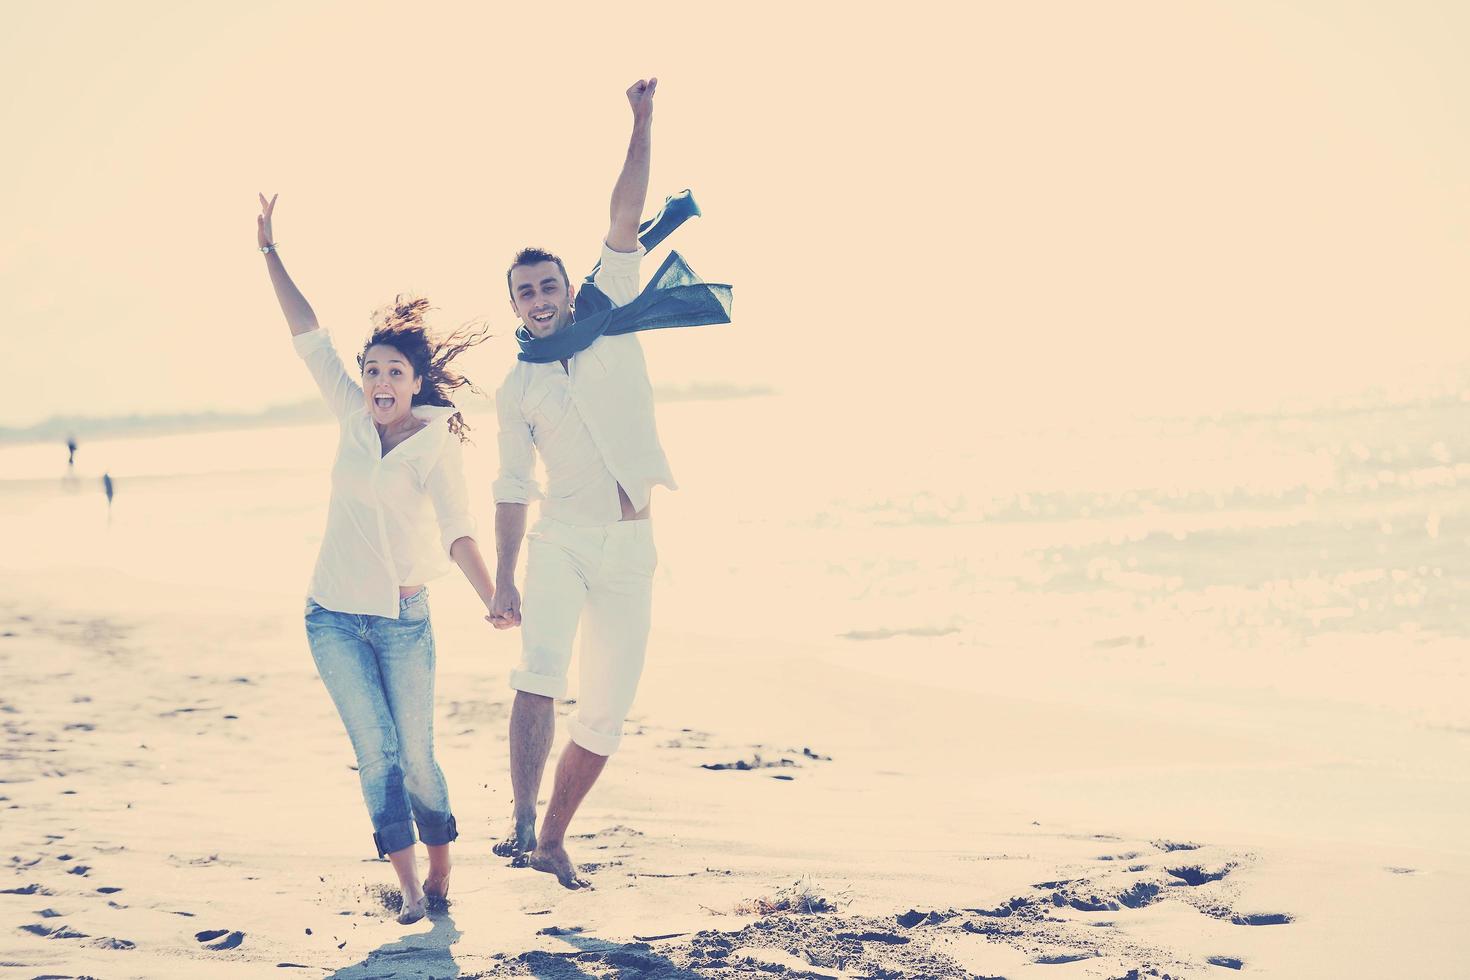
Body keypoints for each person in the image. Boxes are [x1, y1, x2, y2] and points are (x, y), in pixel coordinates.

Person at [488, 77, 731, 890]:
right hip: (561, 542)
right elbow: (513, 487)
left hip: (633, 549)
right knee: (539, 672)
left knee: (604, 714)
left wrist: (642, 120)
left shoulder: (612, 301)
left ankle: (555, 835)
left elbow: (624, 214)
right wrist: (505, 575)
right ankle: (521, 820)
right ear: (516, 309)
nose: (541, 298)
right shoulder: (517, 390)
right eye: (526, 293)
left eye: (548, 284)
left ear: (566, 286)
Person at [256, 193, 497, 923]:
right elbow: (307, 335)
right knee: (375, 751)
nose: (380, 384)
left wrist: (494, 598)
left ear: (416, 381)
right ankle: (411, 889)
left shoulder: (434, 445)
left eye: (393, 372)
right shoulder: (351, 416)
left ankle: (444, 866)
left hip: (401, 618)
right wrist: (270, 251)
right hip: (331, 615)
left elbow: (459, 532)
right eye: (371, 372)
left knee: (416, 755)